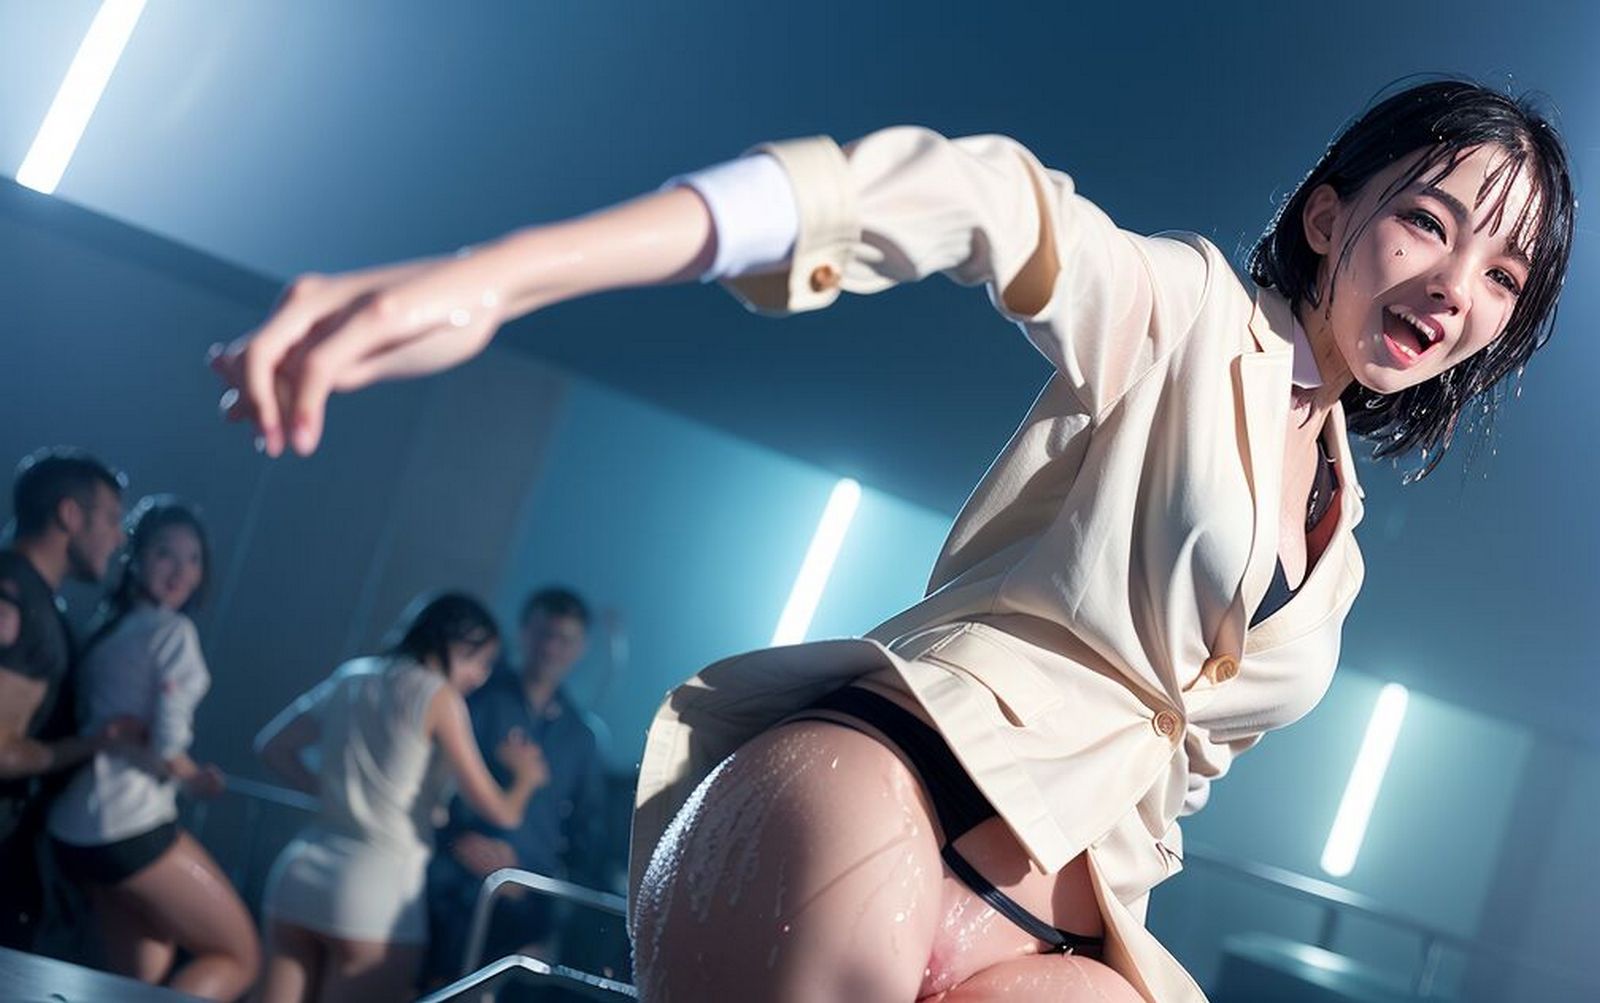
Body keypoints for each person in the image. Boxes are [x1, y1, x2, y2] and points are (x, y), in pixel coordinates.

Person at [208, 78, 1575, 1002]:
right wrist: (498, 278)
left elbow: (1168, 765)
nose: (1452, 285)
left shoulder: (1340, 549)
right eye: (1426, 220)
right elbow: (979, 200)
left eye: (1502, 274)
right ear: (1331, 216)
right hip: (883, 798)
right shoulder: (1187, 313)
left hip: (1065, 929)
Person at [254, 591, 550, 1003]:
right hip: (374, 889)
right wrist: (527, 778)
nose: (480, 677)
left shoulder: (353, 676)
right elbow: (500, 812)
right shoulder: (439, 698)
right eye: (480, 661)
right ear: (456, 645)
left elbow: (272, 747)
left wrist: (337, 793)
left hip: (300, 874)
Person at [45, 496, 260, 1000]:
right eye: (165, 553)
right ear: (135, 555)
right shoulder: (172, 632)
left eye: (193, 558)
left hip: (76, 827)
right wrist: (192, 776)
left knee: (141, 977)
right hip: (128, 822)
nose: (180, 570)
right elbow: (167, 740)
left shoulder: (108, 629)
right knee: (237, 957)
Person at [425, 586, 610, 980]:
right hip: (450, 886)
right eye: (545, 634)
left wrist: (554, 916)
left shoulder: (581, 737)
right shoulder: (473, 701)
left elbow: (587, 836)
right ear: (524, 632)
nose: (552, 648)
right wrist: (455, 840)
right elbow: (428, 782)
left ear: (581, 648)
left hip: (527, 904)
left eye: (565, 640)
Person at [0, 448, 141, 951]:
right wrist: (96, 743)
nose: (119, 537)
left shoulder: (29, 596)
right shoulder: (17, 600)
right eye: (111, 519)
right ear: (69, 514)